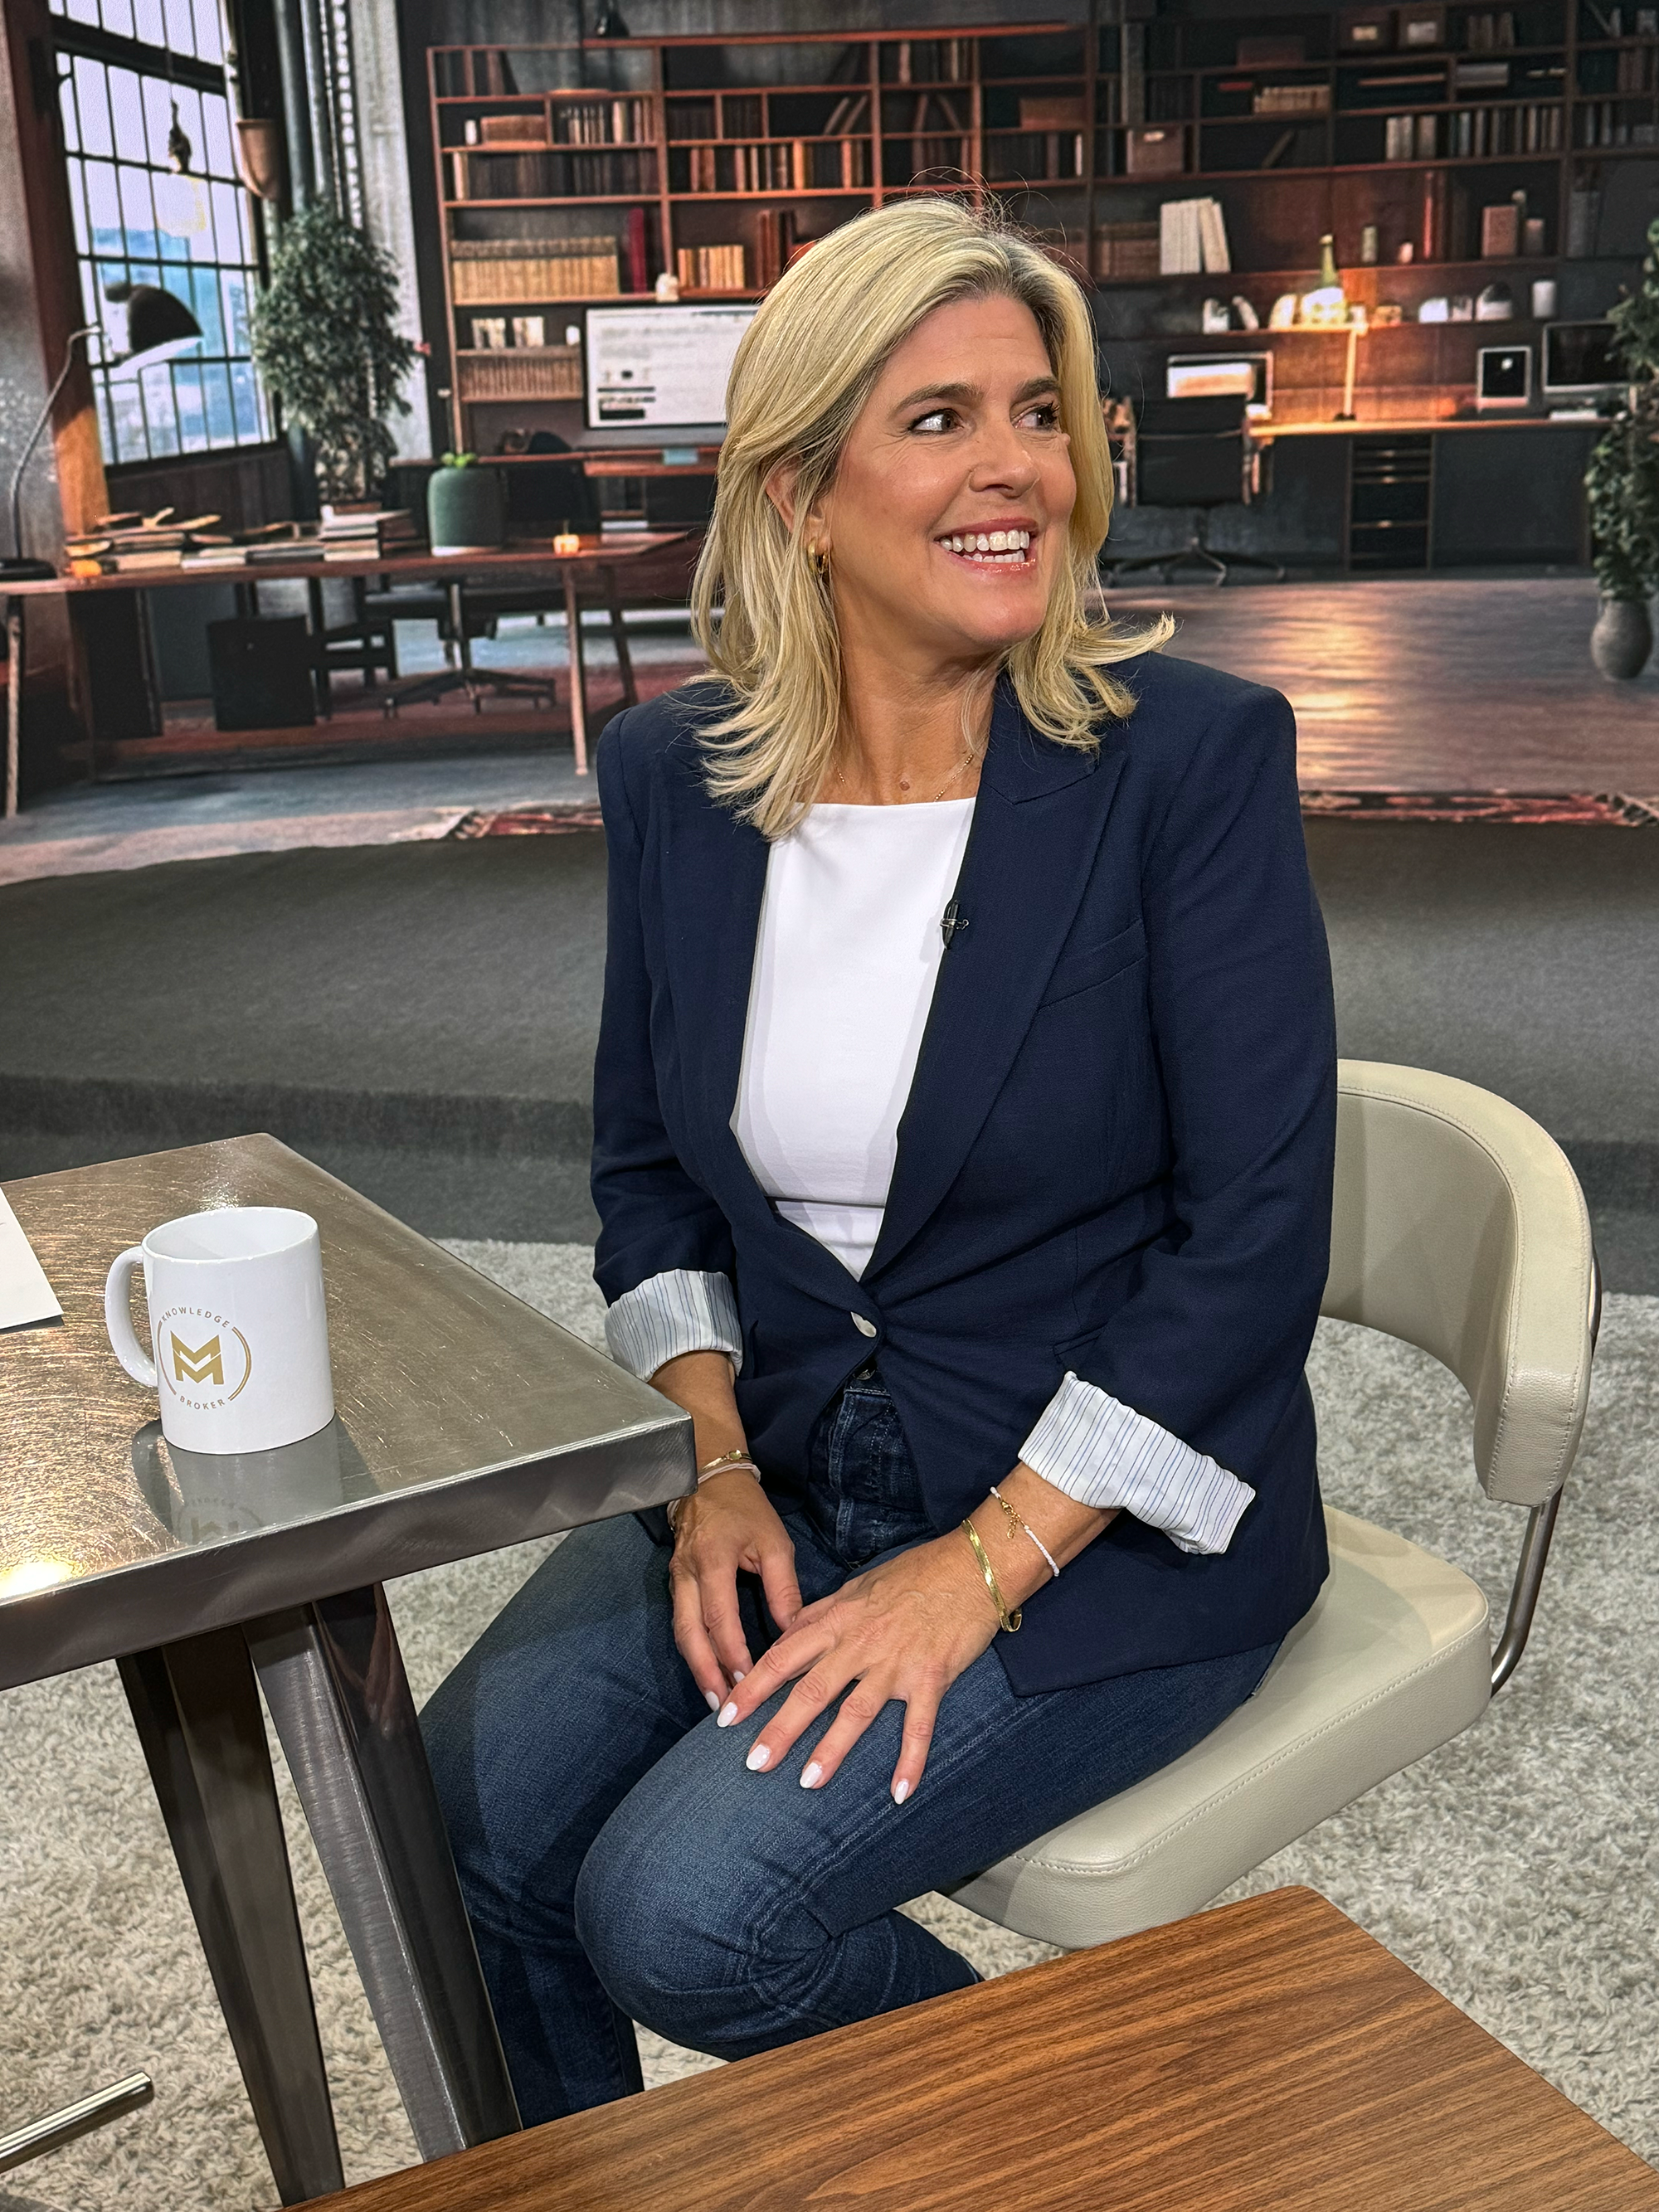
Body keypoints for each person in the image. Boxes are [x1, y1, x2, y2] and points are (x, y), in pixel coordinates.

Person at [421, 197, 1336, 2125]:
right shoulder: (677, 775)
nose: (1016, 466)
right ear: (797, 490)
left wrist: (974, 1569)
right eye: (936, 419)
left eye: (1036, 410)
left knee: (686, 1915)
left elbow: (1251, 1241)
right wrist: (711, 1466)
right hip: (774, 1464)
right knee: (457, 1824)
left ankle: (1126, 2150)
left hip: (1092, 1519)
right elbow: (646, 1172)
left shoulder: (1187, 761)